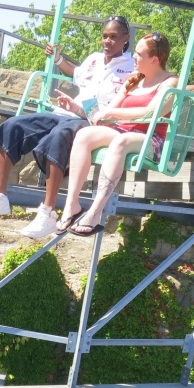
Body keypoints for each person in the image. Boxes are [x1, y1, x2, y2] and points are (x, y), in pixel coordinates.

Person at [0, 17, 134, 238]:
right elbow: (75, 72)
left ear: (126, 38)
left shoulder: (132, 68)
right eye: (105, 36)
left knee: (58, 136)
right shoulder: (94, 60)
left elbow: (148, 89)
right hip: (67, 113)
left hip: (93, 122)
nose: (107, 41)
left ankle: (47, 213)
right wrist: (58, 59)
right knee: (13, 126)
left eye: (114, 37)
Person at [59, 32, 181, 237]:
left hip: (150, 139)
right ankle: (72, 205)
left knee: (120, 142)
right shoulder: (133, 81)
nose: (133, 56)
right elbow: (107, 112)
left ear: (154, 59)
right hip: (122, 131)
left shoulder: (170, 83)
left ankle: (95, 212)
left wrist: (112, 113)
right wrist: (79, 109)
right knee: (84, 135)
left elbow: (150, 112)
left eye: (139, 54)